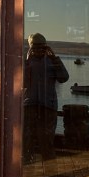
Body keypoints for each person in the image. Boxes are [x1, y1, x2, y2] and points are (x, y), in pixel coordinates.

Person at [23, 32, 69, 161]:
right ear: (30, 47)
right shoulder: (25, 62)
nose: (39, 49)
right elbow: (21, 82)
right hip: (29, 106)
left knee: (47, 141)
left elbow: (64, 78)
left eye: (42, 46)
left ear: (46, 46)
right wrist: (26, 62)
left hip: (48, 106)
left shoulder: (52, 61)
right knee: (26, 141)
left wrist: (55, 59)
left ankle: (50, 167)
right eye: (35, 46)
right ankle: (27, 165)